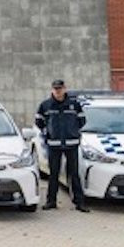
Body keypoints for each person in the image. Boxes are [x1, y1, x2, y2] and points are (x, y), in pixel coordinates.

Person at [35, 79, 90, 212]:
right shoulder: (45, 105)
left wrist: (72, 131)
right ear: (52, 90)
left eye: (60, 88)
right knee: (53, 174)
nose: (58, 91)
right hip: (54, 144)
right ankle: (51, 202)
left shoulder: (74, 104)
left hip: (71, 144)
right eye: (55, 89)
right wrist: (49, 132)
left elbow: (82, 121)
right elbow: (39, 121)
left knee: (74, 174)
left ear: (65, 89)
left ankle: (79, 203)